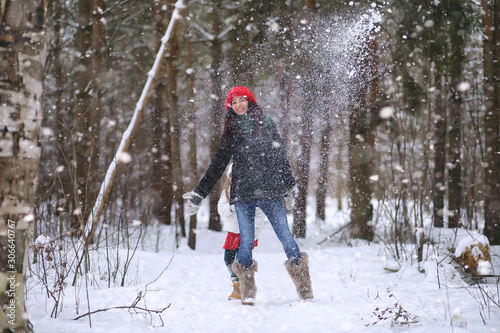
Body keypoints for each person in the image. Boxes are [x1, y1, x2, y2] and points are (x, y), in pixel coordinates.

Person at [183, 86, 313, 306]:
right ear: (230, 107)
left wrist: (289, 186)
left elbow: (279, 154)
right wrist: (199, 193)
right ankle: (247, 290)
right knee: (245, 242)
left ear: (250, 101)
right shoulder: (231, 131)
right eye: (233, 103)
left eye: (241, 100)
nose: (238, 105)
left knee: (285, 236)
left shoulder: (266, 123)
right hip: (243, 193)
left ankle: (304, 286)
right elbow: (217, 165)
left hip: (270, 191)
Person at [218, 163, 266, 300]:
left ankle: (244, 288)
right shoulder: (227, 191)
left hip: (247, 234)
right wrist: (232, 207)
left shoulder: (254, 193)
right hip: (233, 232)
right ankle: (236, 284)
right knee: (228, 259)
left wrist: (254, 232)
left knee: (242, 262)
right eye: (234, 176)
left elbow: (259, 214)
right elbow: (221, 210)